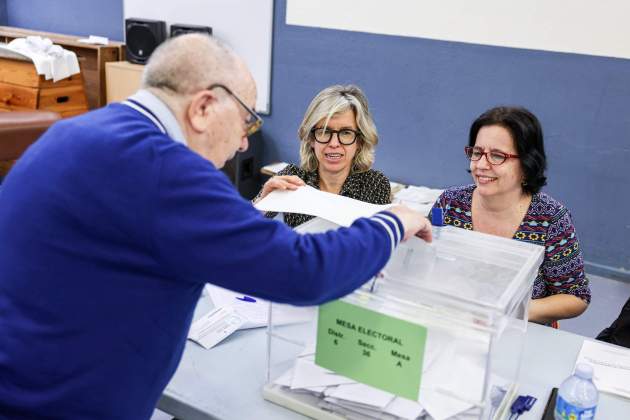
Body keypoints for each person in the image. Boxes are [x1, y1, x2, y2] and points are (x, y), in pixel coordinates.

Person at [0, 35, 432, 420]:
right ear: (205, 106)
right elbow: (304, 270)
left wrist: (248, 212)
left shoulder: (81, 131)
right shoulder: (163, 167)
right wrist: (394, 220)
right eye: (246, 120)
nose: (245, 141)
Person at [431, 106, 590, 325]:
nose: (481, 165)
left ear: (527, 164)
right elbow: (425, 264)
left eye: (497, 156)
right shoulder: (450, 203)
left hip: (518, 333)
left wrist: (509, 312)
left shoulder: (551, 219)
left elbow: (576, 297)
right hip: (453, 324)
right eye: (477, 153)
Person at [254, 84, 391, 227]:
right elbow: (244, 230)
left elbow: (378, 242)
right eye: (324, 131)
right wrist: (261, 203)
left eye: (346, 133)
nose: (334, 143)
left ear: (360, 141)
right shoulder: (293, 179)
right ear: (311, 139)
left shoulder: (375, 184)